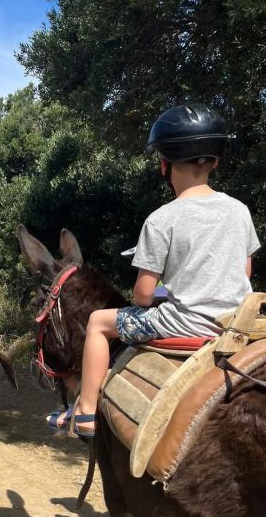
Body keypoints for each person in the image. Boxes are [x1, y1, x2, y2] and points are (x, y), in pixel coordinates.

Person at [50, 103, 260, 441]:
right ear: (215, 161)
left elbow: (143, 295)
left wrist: (166, 292)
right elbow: (244, 272)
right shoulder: (240, 210)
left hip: (187, 324)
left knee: (98, 323)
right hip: (236, 323)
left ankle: (86, 411)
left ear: (164, 163)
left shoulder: (162, 219)